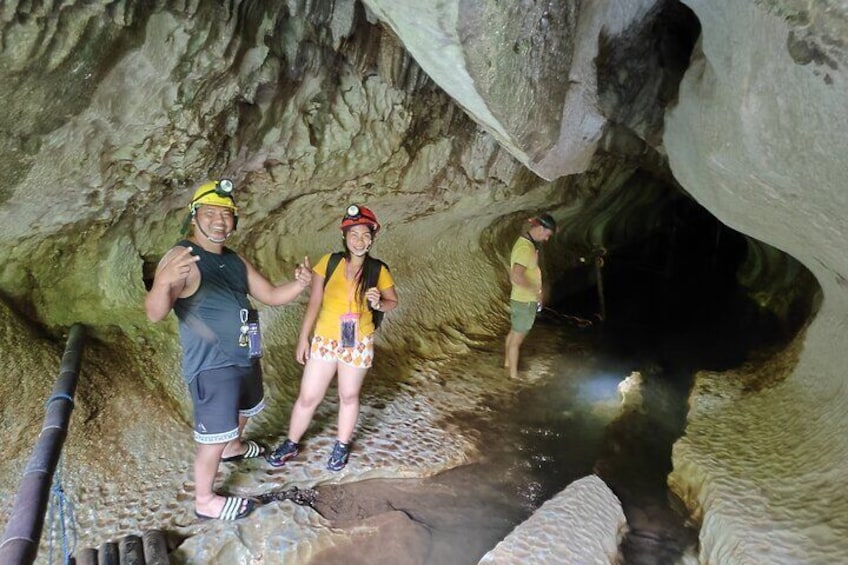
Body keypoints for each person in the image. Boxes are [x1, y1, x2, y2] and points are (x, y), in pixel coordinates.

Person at [144, 179, 312, 521]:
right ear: (195, 216)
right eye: (210, 213)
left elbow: (270, 295)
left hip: (244, 353)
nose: (219, 221)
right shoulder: (182, 257)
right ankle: (204, 500)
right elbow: (155, 313)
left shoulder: (235, 260)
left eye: (226, 214)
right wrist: (162, 282)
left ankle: (234, 447)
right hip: (212, 363)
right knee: (212, 438)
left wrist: (300, 283)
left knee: (247, 406)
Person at [268, 204, 398, 472]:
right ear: (344, 237)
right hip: (325, 340)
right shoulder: (328, 262)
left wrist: (377, 303)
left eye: (365, 235)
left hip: (358, 341)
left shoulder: (378, 270)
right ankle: (291, 442)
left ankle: (341, 444)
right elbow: (314, 302)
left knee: (349, 395)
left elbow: (391, 302)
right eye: (354, 234)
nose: (359, 240)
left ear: (372, 237)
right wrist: (304, 338)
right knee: (308, 396)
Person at [504, 213, 556, 380]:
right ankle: (513, 376)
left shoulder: (526, 244)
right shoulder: (525, 249)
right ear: (540, 229)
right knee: (517, 340)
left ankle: (507, 364)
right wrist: (535, 290)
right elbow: (516, 276)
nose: (547, 239)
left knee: (514, 333)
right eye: (547, 235)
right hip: (524, 302)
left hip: (520, 300)